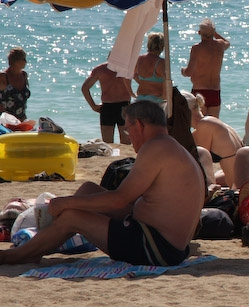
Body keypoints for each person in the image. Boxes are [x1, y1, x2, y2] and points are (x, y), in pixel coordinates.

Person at [0, 100, 205, 266]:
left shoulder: (155, 149)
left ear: (140, 125)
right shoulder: (170, 146)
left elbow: (119, 199)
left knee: (72, 216)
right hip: (163, 241)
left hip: (156, 248)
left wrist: (66, 203)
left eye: (128, 130)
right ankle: (41, 243)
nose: (129, 138)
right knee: (88, 189)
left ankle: (18, 255)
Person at [182, 91, 249, 189]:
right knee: (217, 175)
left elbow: (199, 167)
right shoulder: (211, 121)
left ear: (184, 111)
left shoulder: (205, 126)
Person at [180, 19, 230, 118]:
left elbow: (189, 72)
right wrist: (214, 33)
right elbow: (227, 42)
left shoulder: (197, 48)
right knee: (213, 123)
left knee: (198, 123)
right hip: (215, 91)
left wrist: (183, 71)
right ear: (213, 32)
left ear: (199, 33)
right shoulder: (220, 45)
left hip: (200, 91)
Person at [81, 55, 133, 143]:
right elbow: (84, 88)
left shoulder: (100, 69)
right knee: (125, 142)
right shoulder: (127, 69)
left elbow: (85, 88)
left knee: (108, 142)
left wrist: (93, 106)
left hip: (109, 107)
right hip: (122, 105)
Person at [133, 33, 167, 106]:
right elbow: (166, 81)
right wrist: (165, 96)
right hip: (155, 100)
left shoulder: (140, 59)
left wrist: (143, 82)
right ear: (162, 46)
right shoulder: (161, 62)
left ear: (149, 45)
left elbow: (134, 75)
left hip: (140, 98)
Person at [0, 46, 30, 121]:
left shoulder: (24, 75)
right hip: (4, 121)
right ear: (16, 61)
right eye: (23, 59)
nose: (26, 62)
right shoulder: (3, 77)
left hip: (21, 120)